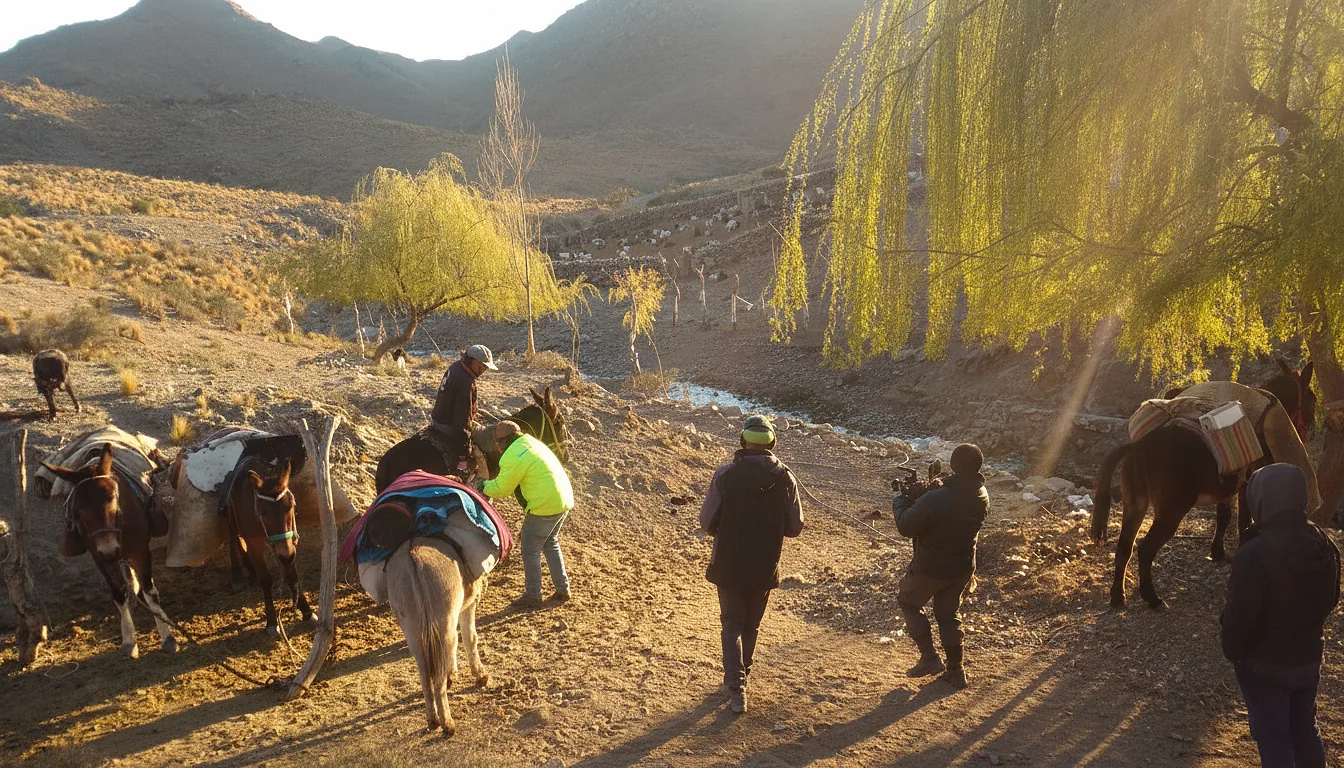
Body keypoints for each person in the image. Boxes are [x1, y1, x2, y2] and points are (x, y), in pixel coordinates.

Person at [1221, 463, 1340, 768]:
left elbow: (1240, 617)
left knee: (1274, 739)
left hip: (1264, 666)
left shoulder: (1254, 553)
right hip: (1309, 658)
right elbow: (1331, 600)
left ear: (1261, 500)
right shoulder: (1325, 545)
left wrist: (1233, 651)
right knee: (1305, 730)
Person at [699, 415, 804, 715]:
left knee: (731, 623)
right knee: (751, 624)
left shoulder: (725, 474)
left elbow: (706, 521)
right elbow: (795, 527)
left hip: (729, 563)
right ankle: (745, 671)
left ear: (743, 441)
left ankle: (736, 686)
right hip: (765, 564)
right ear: (772, 442)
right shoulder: (786, 478)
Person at [892, 443, 988, 689]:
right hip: (963, 567)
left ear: (954, 466)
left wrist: (901, 500)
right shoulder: (981, 494)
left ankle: (930, 658)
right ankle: (956, 671)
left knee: (908, 601)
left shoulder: (938, 498)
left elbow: (906, 526)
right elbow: (949, 509)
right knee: (948, 614)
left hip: (931, 567)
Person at [481, 420, 575, 606]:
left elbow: (501, 489)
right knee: (550, 543)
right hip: (563, 500)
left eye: (498, 443)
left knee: (530, 550)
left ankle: (533, 595)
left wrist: (483, 485)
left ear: (504, 441)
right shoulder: (531, 442)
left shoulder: (514, 455)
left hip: (544, 506)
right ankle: (562, 589)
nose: (498, 447)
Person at [430, 345, 497, 476]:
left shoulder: (456, 366)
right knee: (474, 458)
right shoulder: (466, 382)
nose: (483, 370)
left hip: (437, 418)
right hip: (447, 426)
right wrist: (467, 448)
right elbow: (461, 421)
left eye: (486, 367)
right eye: (482, 366)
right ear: (473, 361)